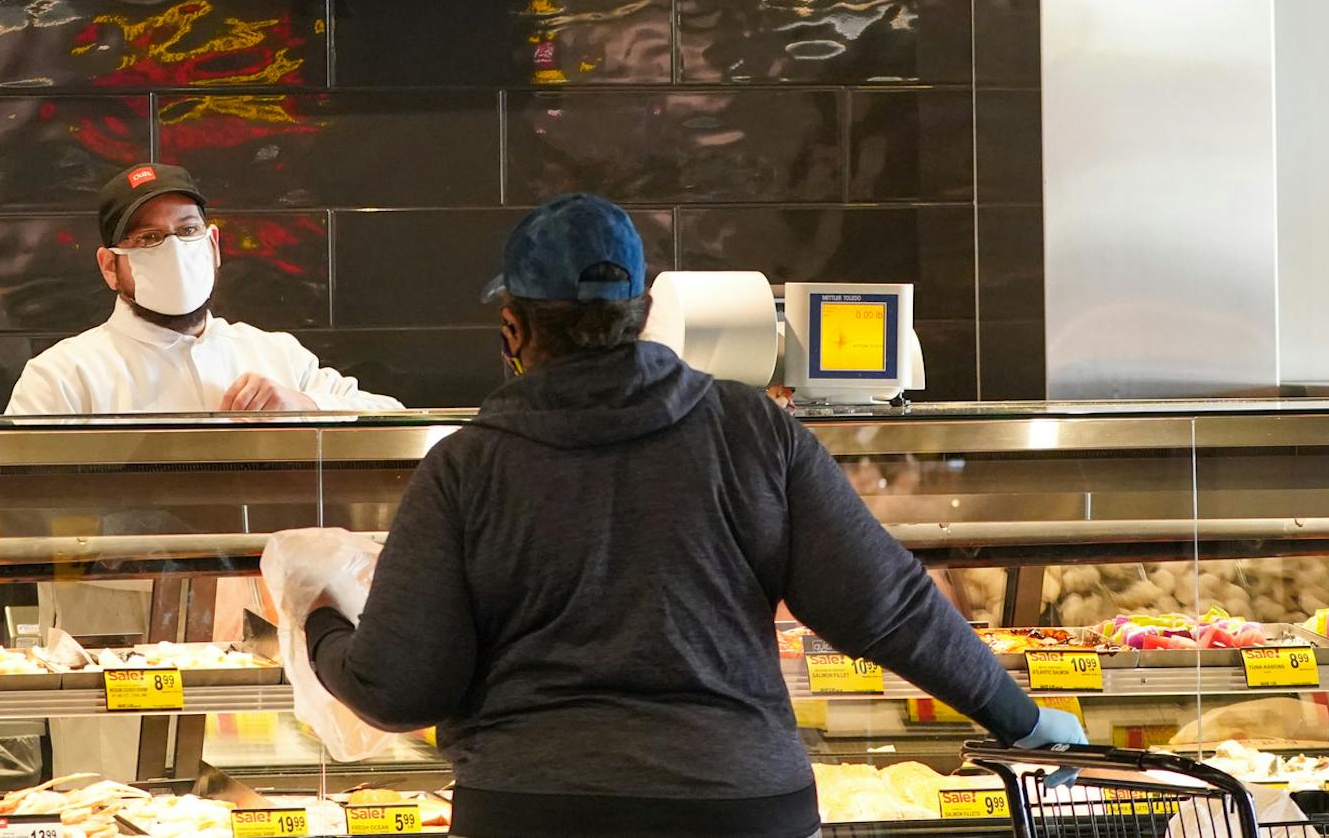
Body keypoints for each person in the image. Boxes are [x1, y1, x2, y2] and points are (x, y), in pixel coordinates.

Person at [300, 193, 1084, 838]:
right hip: (740, 805)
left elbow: (402, 688)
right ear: (641, 311)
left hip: (536, 807)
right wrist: (1019, 717)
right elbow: (886, 605)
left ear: (513, 328)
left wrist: (321, 627)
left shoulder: (466, 467)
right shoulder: (755, 430)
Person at [6, 163, 400, 415]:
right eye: (149, 237)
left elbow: (392, 418)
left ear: (213, 245)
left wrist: (304, 404)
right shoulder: (62, 376)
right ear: (110, 266)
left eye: (188, 230)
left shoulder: (274, 354)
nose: (174, 248)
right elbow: (11, 498)